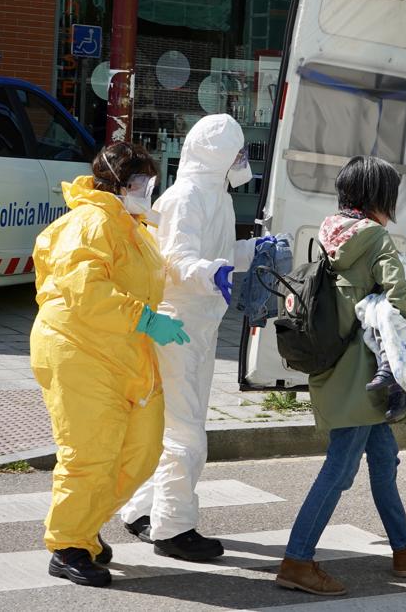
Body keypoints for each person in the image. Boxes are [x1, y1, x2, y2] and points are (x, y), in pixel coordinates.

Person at [276, 156, 406, 596]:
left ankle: (405, 549)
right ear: (379, 196)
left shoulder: (333, 227)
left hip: (336, 364)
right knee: (340, 467)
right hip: (358, 374)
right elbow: (401, 291)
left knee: (384, 458)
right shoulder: (373, 236)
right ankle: (297, 560)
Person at [31, 142, 190, 588]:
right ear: (126, 183)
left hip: (123, 350)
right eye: (145, 182)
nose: (151, 189)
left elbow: (145, 276)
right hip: (77, 349)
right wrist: (144, 319)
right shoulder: (90, 221)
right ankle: (68, 545)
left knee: (140, 452)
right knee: (90, 455)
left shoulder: (129, 222)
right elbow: (86, 290)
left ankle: (85, 524)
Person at [120, 113, 268, 561]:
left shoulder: (214, 195)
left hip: (198, 324)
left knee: (175, 426)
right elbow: (176, 260)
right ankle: (173, 528)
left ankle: (141, 510)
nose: (241, 160)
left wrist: (250, 252)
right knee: (186, 433)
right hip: (178, 324)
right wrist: (212, 270)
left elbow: (211, 259)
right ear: (216, 154)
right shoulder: (187, 196)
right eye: (236, 152)